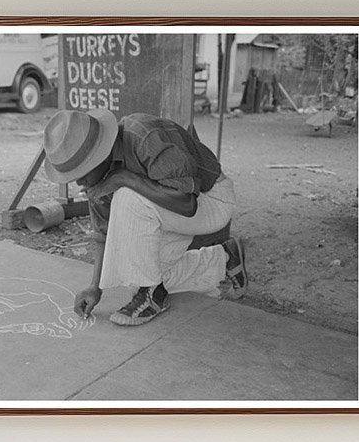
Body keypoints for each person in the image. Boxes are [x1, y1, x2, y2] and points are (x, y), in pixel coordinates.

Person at [42, 108, 247, 326]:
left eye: (82, 173)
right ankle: (225, 258)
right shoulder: (97, 176)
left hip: (211, 199)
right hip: (168, 211)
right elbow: (103, 233)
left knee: (128, 198)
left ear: (99, 155)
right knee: (137, 277)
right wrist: (95, 287)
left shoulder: (144, 137)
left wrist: (124, 178)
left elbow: (187, 204)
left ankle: (153, 296)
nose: (79, 182)